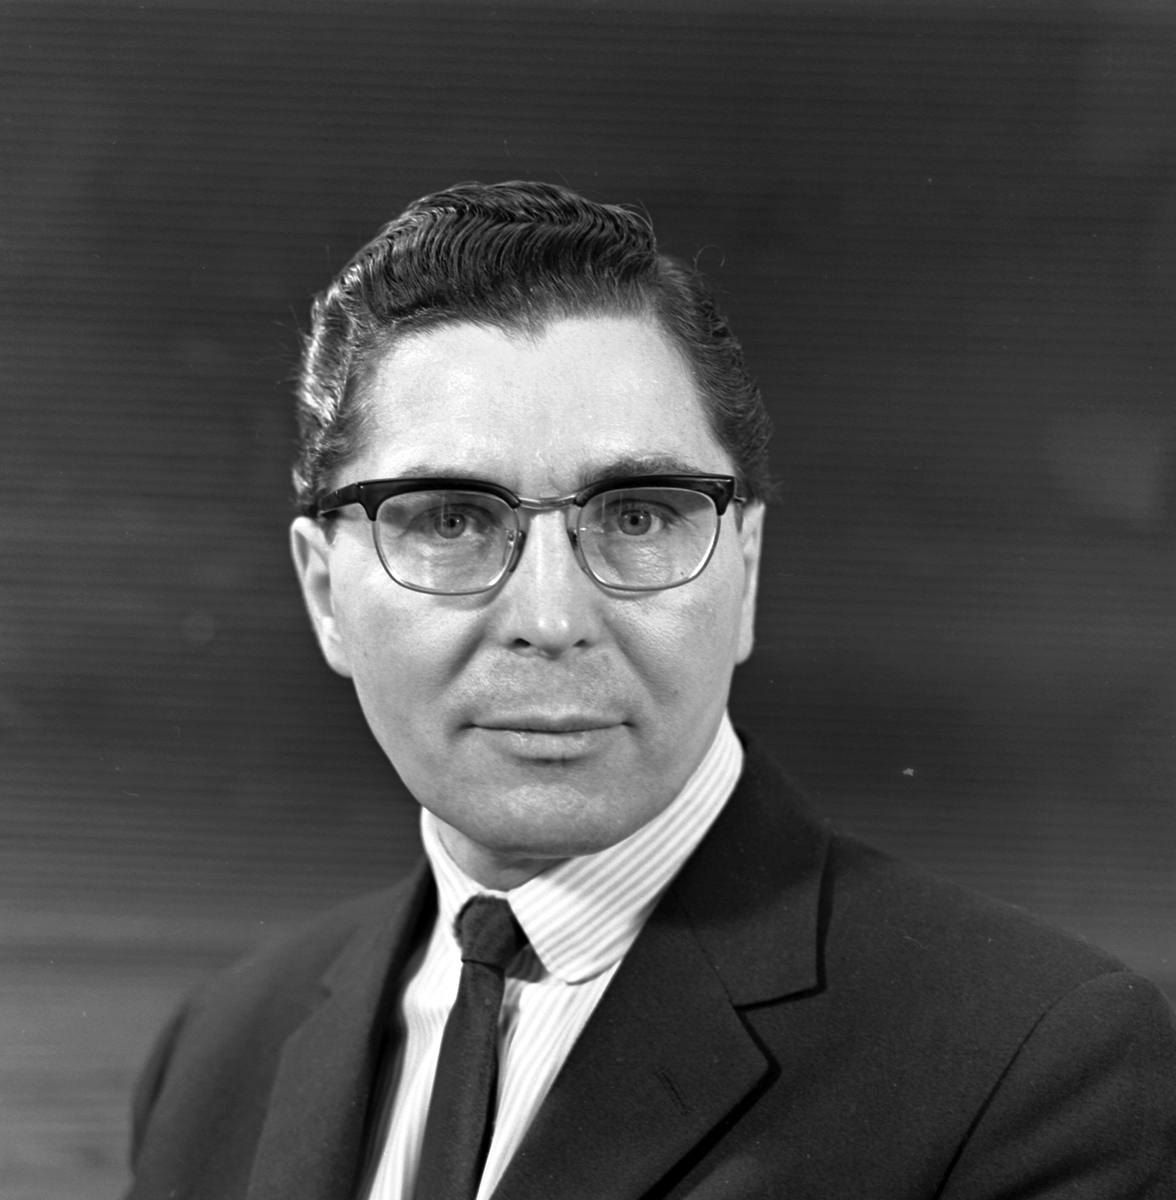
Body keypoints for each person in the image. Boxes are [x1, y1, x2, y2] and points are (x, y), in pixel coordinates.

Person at [126, 181, 1176, 1200]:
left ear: (746, 571)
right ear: (324, 594)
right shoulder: (218, 1054)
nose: (551, 616)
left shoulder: (1035, 1066)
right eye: (449, 519)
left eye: (637, 516)